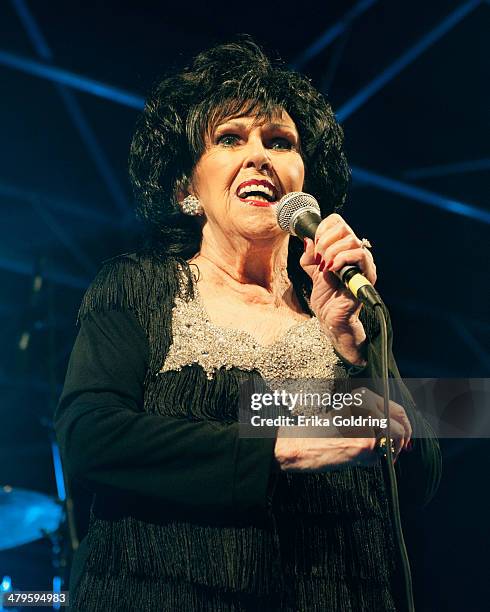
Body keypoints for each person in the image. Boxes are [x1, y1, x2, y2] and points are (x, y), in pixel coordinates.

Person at [55, 38, 441, 611]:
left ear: (304, 181)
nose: (259, 155)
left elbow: (417, 475)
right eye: (230, 138)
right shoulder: (139, 289)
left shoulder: (342, 316)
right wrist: (278, 447)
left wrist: (354, 347)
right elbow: (89, 437)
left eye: (280, 142)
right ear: (187, 188)